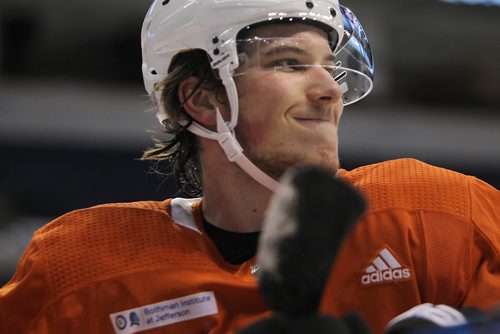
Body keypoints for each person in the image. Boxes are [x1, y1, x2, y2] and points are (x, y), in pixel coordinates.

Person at [0, 0, 498, 333]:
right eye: (288, 63)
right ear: (200, 99)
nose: (330, 90)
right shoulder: (78, 266)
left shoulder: (437, 213)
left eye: (331, 66)